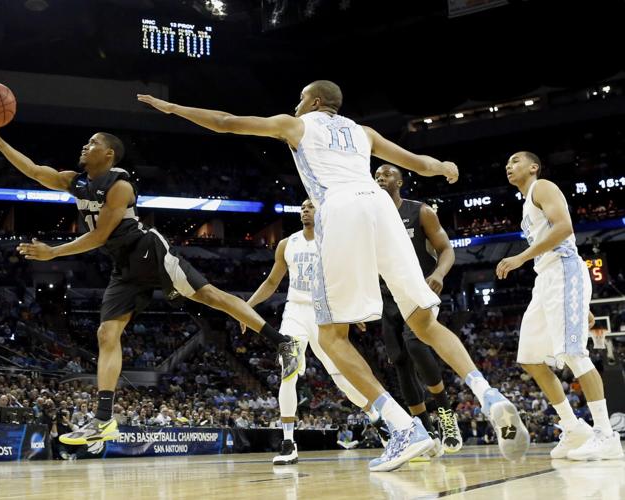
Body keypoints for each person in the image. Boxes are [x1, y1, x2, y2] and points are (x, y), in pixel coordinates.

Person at [138, 80, 528, 471]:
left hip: (341, 208)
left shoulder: (298, 125)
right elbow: (419, 164)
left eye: (300, 98)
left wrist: (174, 110)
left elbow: (226, 122)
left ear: (315, 102)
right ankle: (487, 392)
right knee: (424, 321)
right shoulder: (364, 132)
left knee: (331, 335)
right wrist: (444, 168)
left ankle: (405, 429)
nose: (295, 104)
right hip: (380, 207)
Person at [0, 114, 301, 446]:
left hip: (147, 251)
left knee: (211, 296)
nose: (85, 147)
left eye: (93, 143)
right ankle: (103, 420)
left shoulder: (120, 185)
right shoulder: (76, 182)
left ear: (109, 154)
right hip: (123, 267)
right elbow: (32, 170)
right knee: (106, 332)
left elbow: (100, 236)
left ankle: (282, 342)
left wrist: (53, 252)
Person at [497, 151, 623, 461]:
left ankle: (606, 434)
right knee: (530, 359)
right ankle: (573, 427)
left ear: (534, 166)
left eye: (515, 161)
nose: (509, 166)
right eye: (507, 163)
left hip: (563, 269)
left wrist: (520, 257)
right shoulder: (526, 202)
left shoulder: (542, 187)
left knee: (573, 353)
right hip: (547, 280)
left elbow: (565, 227)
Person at [243, 198, 384, 465]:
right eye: (303, 207)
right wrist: (247, 306)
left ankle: (377, 419)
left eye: (311, 206)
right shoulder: (287, 244)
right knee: (288, 372)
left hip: (324, 314)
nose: (306, 209)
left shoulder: (332, 241)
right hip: (295, 312)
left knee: (342, 377)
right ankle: (288, 443)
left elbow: (346, 279)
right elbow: (272, 281)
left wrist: (354, 312)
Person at [374, 165, 463, 455]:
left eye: (386, 175)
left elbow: (447, 249)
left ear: (399, 181)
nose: (380, 178)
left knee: (415, 344)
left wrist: (438, 274)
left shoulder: (420, 211)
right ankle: (423, 432)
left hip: (418, 291)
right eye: (376, 175)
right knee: (399, 361)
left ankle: (447, 416)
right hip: (387, 299)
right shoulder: (370, 218)